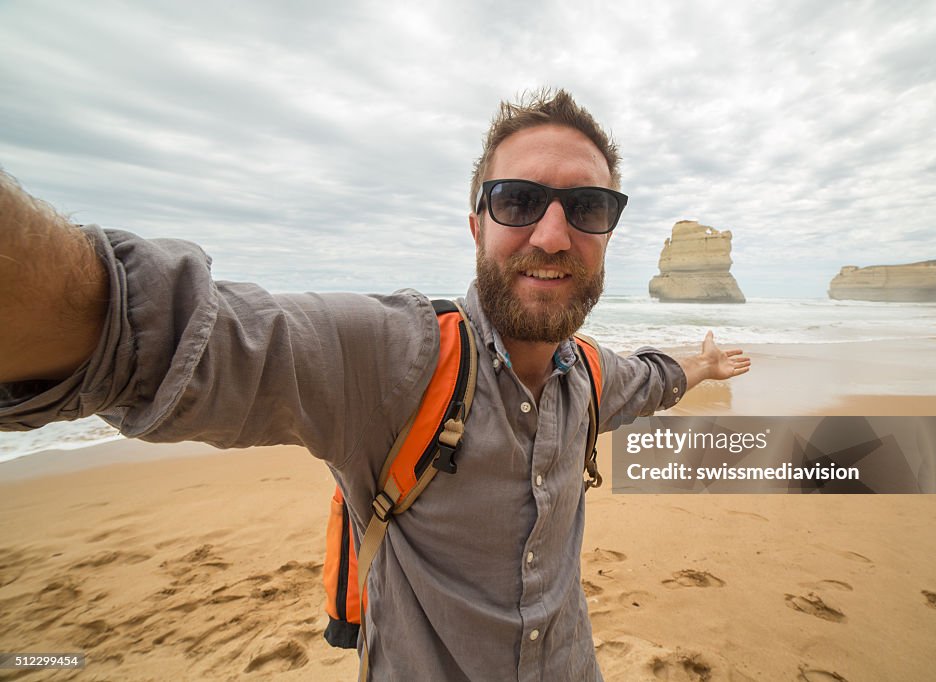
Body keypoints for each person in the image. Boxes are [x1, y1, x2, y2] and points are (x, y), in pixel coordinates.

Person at [0, 88, 749, 680]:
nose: (552, 235)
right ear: (477, 226)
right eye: (518, 201)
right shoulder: (398, 359)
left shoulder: (587, 374)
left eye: (586, 207)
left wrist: (703, 367)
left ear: (608, 232)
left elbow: (651, 380)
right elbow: (157, 335)